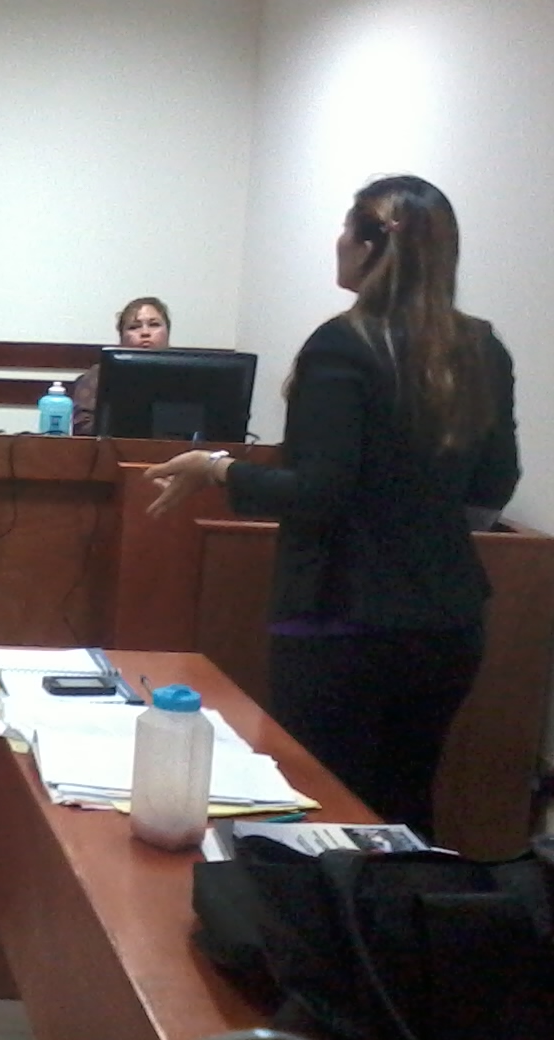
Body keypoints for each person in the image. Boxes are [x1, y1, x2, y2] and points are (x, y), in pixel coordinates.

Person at [144, 176, 519, 836]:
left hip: (340, 618)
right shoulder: (483, 346)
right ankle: (407, 905)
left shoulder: (343, 345)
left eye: (347, 229)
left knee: (328, 811)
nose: (338, 242)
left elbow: (317, 493)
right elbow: (495, 483)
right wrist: (417, 527)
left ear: (370, 246)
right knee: (405, 808)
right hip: (447, 624)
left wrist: (216, 468)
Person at [71, 296, 171, 435]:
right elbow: (82, 426)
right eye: (134, 327)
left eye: (154, 325)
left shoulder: (186, 374)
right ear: (122, 337)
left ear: (167, 332)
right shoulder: (100, 374)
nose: (145, 333)